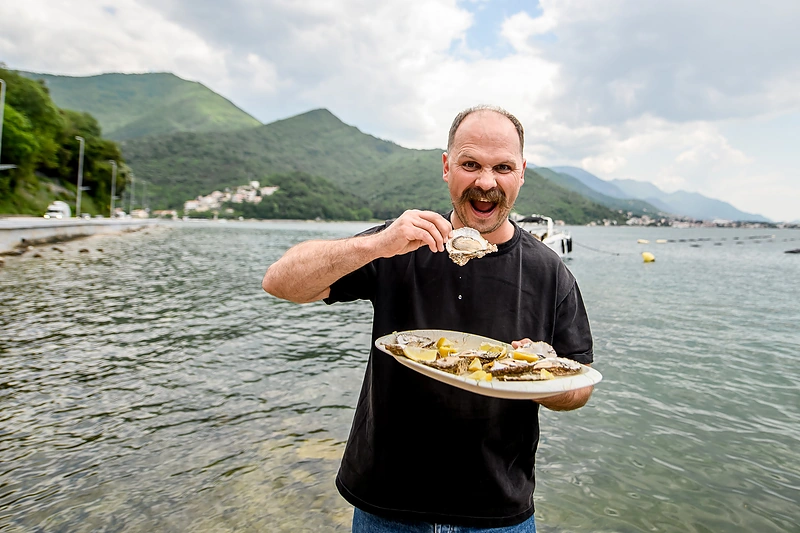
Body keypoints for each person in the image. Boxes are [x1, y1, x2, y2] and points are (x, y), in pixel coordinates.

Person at [262, 105, 594, 532]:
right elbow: (280, 281)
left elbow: (580, 384)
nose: (486, 182)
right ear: (446, 166)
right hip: (387, 506)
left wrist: (540, 376)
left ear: (522, 173)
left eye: (503, 167)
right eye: (470, 164)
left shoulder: (550, 273)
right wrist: (376, 245)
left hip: (496, 514)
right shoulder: (402, 242)